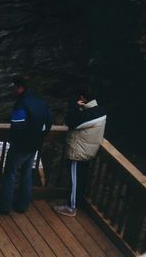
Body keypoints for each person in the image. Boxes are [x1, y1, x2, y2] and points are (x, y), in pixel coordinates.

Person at [0, 76, 52, 214]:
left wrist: (14, 140)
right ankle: (23, 205)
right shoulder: (41, 102)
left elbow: (17, 126)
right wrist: (39, 137)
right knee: (27, 173)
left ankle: (5, 206)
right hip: (35, 144)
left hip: (21, 146)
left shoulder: (21, 104)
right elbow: (48, 123)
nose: (13, 90)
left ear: (20, 87)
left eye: (14, 87)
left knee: (10, 174)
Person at [54, 89, 107, 217]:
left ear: (82, 98)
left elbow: (70, 121)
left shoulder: (88, 114)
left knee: (74, 179)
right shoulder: (100, 111)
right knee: (82, 178)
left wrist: (74, 106)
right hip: (89, 150)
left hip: (78, 151)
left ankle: (71, 207)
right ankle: (78, 202)